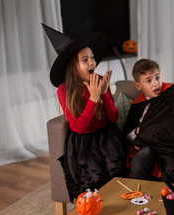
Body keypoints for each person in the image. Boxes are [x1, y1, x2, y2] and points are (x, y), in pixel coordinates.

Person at [42, 24, 127, 202]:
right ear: (74, 65)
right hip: (83, 143)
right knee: (94, 180)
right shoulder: (64, 90)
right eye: (85, 60)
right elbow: (78, 127)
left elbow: (113, 117)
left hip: (106, 138)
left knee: (116, 175)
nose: (92, 63)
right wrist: (93, 99)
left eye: (92, 58)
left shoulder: (99, 80)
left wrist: (104, 94)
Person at [123, 59, 174, 184]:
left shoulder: (171, 94)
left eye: (157, 77)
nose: (155, 83)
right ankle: (141, 198)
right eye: (149, 80)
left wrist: (141, 133)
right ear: (138, 86)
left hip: (171, 144)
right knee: (139, 159)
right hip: (148, 147)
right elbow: (127, 134)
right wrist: (140, 133)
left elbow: (172, 122)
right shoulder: (136, 106)